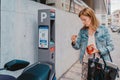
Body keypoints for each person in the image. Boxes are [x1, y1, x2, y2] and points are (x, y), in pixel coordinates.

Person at [71, 7, 114, 80]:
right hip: (86, 62)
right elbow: (77, 46)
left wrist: (98, 50)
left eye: (84, 20)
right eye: (82, 20)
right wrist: (74, 41)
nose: (83, 22)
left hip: (101, 62)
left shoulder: (103, 29)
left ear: (91, 17)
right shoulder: (82, 31)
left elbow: (111, 46)